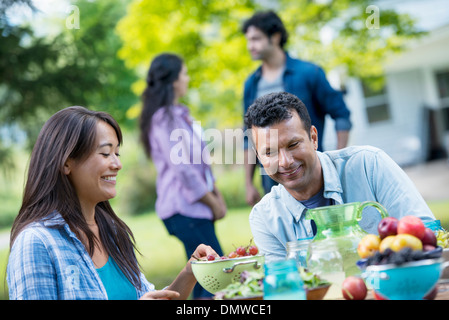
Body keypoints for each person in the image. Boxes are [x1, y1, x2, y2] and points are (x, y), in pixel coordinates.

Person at [7, 106, 218, 300]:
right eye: (106, 153)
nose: (117, 164)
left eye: (117, 153)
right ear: (66, 162)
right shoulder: (36, 243)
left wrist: (191, 271)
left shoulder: (114, 234)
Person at [244, 92, 436, 264]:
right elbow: (284, 287)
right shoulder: (264, 217)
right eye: (269, 152)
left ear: (313, 138)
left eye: (293, 144)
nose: (285, 162)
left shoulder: (369, 165)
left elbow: (428, 236)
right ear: (259, 157)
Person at [241, 10, 352, 204]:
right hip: (271, 178)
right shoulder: (251, 84)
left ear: (274, 37)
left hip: (309, 169)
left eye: (256, 39)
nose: (250, 46)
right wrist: (248, 184)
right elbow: (248, 136)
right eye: (248, 40)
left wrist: (337, 161)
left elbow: (341, 115)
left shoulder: (309, 73)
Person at [139, 53, 226, 299]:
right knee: (216, 277)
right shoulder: (164, 119)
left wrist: (217, 194)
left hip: (193, 208)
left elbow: (199, 164)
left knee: (204, 279)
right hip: (184, 209)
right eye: (184, 73)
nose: (187, 78)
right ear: (173, 80)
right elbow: (184, 170)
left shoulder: (179, 116)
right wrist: (212, 201)